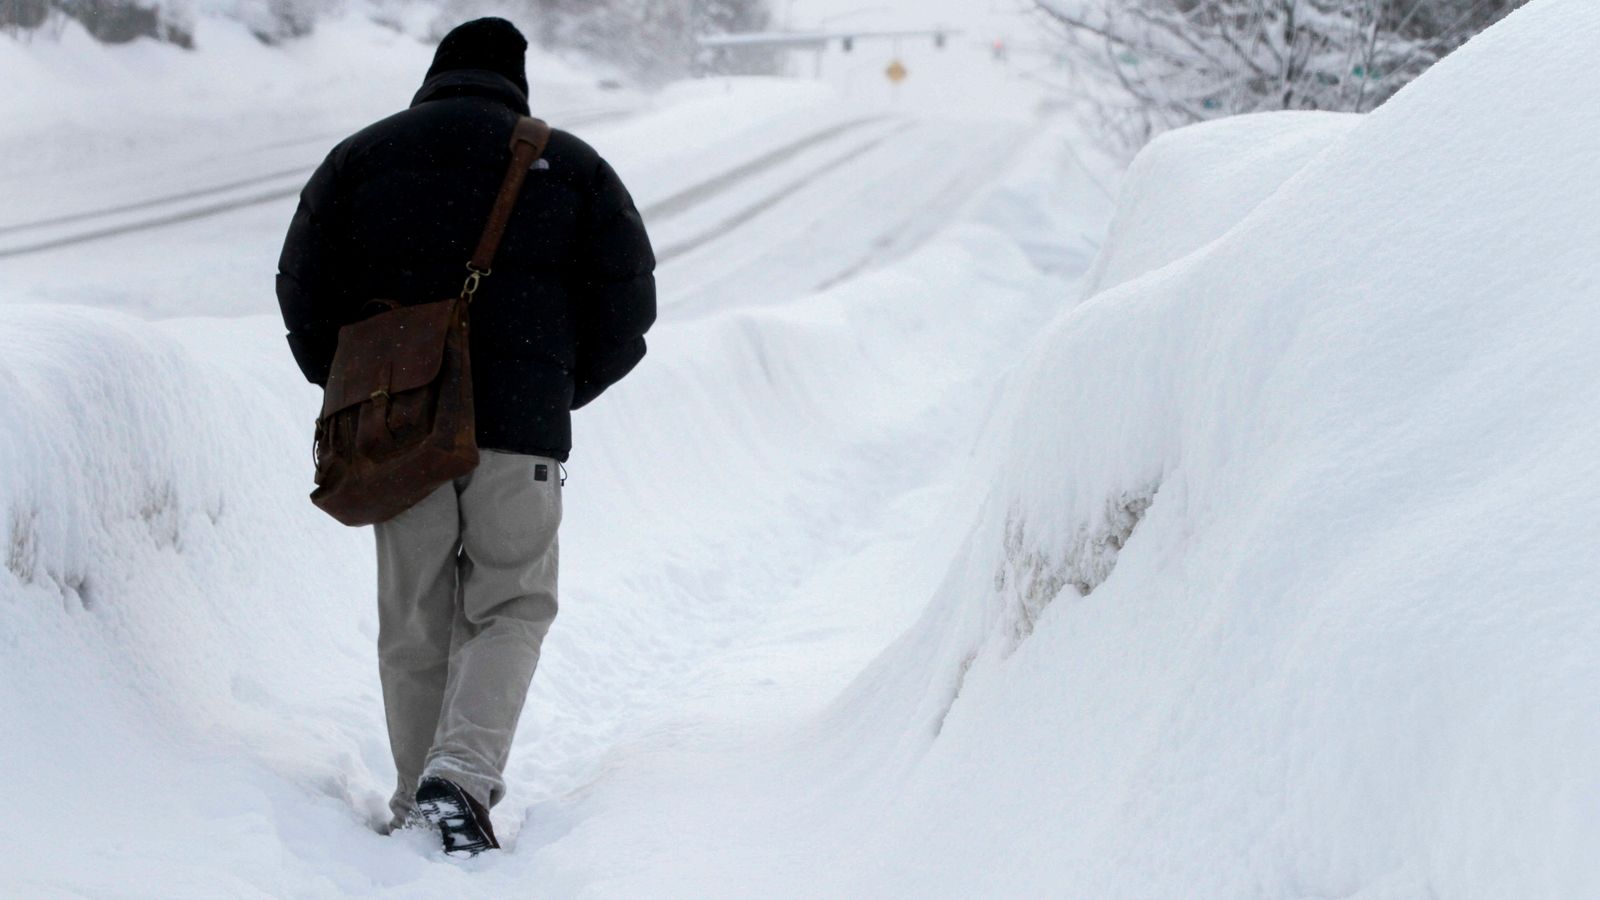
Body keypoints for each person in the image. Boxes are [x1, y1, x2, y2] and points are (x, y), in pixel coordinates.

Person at [275, 16, 655, 856]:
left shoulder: (361, 158)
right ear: (517, 82)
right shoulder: (572, 167)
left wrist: (358, 392)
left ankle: (421, 799)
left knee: (415, 615)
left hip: (399, 432)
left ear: (434, 74)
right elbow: (629, 315)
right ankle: (463, 776)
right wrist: (551, 391)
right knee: (512, 603)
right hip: (519, 436)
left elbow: (300, 290)